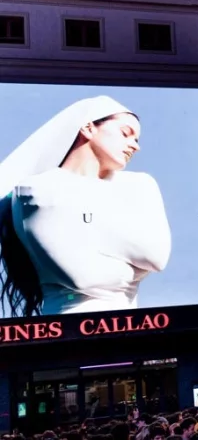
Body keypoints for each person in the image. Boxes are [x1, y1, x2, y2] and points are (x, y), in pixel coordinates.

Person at [0, 95, 171, 316]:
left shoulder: (139, 184)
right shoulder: (36, 190)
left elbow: (156, 256)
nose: (135, 146)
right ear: (89, 128)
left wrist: (81, 224)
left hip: (134, 334)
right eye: (125, 133)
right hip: (67, 334)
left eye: (137, 139)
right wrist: (134, 267)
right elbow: (83, 277)